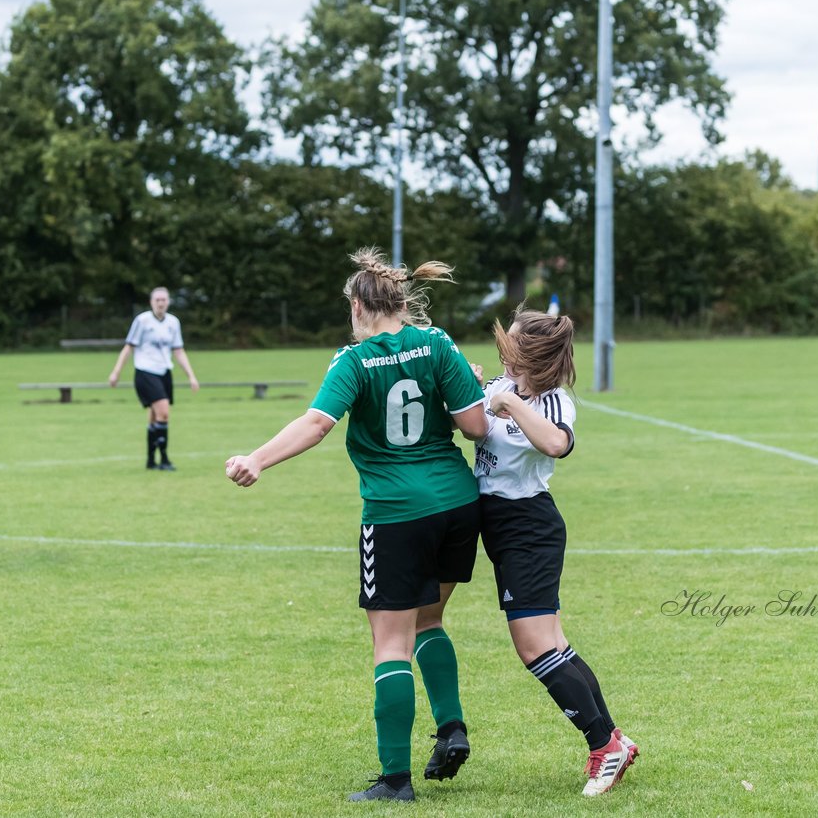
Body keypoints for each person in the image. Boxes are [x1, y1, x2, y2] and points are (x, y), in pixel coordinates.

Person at [225, 249, 488, 803]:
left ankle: (395, 780)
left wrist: (257, 459)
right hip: (459, 504)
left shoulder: (352, 360)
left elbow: (317, 422)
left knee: (390, 640)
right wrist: (464, 386)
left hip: (396, 512)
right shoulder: (439, 343)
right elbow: (475, 426)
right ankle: (451, 728)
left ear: (357, 306)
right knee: (430, 619)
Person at [471, 307, 639, 796]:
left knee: (535, 647)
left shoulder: (553, 400)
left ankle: (601, 746)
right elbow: (471, 431)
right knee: (554, 644)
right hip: (499, 526)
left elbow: (555, 445)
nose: (504, 345)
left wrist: (510, 403)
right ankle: (614, 739)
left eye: (512, 340)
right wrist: (469, 388)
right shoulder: (498, 387)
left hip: (530, 526)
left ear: (528, 351)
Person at [109, 287, 199, 470]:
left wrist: (191, 375)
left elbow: (178, 350)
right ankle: (164, 459)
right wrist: (116, 372)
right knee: (164, 413)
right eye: (157, 299)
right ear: (151, 302)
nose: (160, 303)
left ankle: (151, 460)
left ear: (168, 302)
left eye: (164, 300)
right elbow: (129, 347)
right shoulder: (142, 321)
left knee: (154, 416)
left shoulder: (173, 322)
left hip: (164, 372)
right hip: (145, 372)